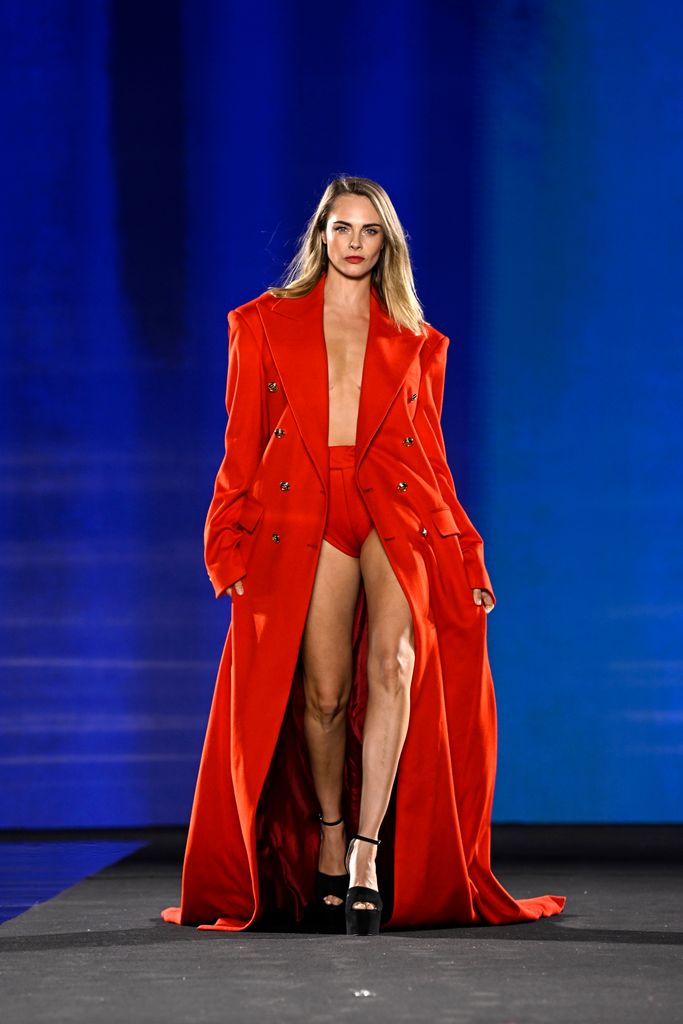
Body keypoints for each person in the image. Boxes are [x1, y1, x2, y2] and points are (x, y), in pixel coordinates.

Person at [161, 175, 566, 936]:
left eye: (368, 230)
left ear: (387, 243)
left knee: (397, 663)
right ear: (320, 236)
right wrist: (226, 546)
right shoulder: (260, 324)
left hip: (395, 506)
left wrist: (467, 554)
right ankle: (327, 836)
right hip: (303, 508)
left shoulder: (417, 339)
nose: (353, 242)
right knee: (322, 695)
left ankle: (367, 855)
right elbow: (239, 444)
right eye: (340, 228)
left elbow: (433, 459)